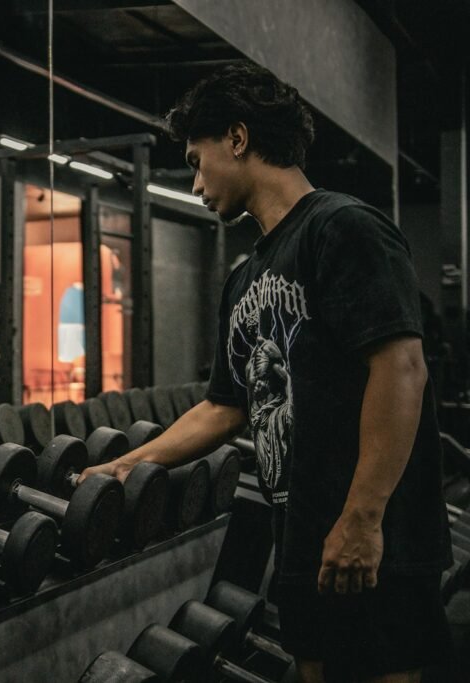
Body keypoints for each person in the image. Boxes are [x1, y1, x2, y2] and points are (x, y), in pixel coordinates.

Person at [80, 64, 452, 682]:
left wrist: (362, 517)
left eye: (197, 161)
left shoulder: (343, 228)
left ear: (238, 138)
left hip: (372, 530)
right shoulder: (245, 276)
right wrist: (127, 464)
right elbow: (225, 408)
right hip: (303, 529)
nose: (196, 184)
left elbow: (401, 367)